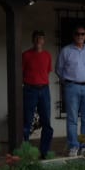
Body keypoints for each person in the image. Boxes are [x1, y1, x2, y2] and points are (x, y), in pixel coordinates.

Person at [55, 25, 85, 158]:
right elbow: (59, 69)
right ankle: (73, 146)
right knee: (72, 119)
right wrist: (68, 82)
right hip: (72, 87)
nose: (80, 36)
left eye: (83, 34)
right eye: (77, 34)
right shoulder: (66, 51)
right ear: (73, 35)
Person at [22, 30, 54, 158]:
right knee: (27, 122)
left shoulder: (47, 55)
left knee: (46, 121)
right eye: (36, 38)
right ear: (32, 40)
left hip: (44, 90)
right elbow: (21, 73)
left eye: (41, 38)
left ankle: (44, 152)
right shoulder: (26, 55)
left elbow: (47, 71)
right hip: (30, 90)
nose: (38, 41)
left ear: (43, 41)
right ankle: (25, 151)